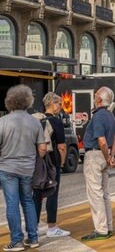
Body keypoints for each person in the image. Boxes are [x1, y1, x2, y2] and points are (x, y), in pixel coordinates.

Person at [0, 85, 45, 251]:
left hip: (7, 168)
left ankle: (16, 241)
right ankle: (33, 238)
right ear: (28, 101)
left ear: (9, 101)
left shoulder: (2, 122)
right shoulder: (35, 122)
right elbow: (42, 149)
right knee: (27, 201)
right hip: (27, 168)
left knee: (12, 204)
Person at [81, 87, 115, 241]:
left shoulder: (97, 116)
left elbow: (101, 140)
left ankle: (101, 229)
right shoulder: (110, 115)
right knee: (105, 193)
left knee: (95, 194)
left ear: (99, 100)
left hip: (95, 155)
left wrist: (106, 155)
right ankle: (108, 226)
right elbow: (114, 139)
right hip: (105, 155)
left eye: (96, 96)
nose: (94, 97)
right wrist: (111, 156)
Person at [32, 92, 71, 238]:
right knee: (52, 193)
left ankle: (33, 227)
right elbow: (61, 146)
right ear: (52, 104)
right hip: (52, 162)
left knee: (37, 194)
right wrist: (61, 162)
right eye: (59, 103)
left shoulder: (36, 120)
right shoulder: (56, 122)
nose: (61, 106)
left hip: (37, 163)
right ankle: (52, 227)